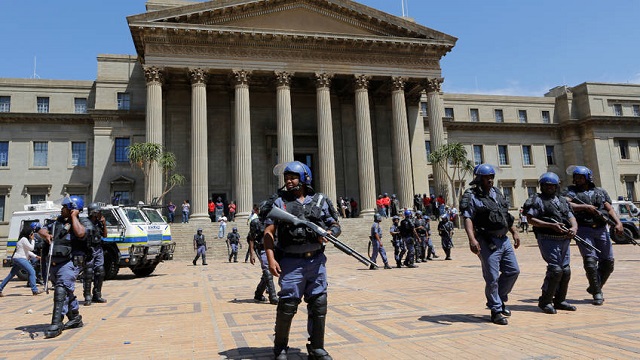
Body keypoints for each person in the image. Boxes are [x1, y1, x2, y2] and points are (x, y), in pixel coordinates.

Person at [263, 161, 341, 360]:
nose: (288, 181)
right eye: (286, 178)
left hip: (316, 261)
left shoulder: (320, 201)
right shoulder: (279, 202)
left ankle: (317, 348)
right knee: (287, 306)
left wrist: (330, 233)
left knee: (319, 303)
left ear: (305, 178)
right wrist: (271, 259)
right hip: (291, 262)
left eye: (293, 177)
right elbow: (268, 233)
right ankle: (280, 348)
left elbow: (334, 224)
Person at [460, 164, 520, 326]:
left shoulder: (497, 193)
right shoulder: (471, 196)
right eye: (487, 177)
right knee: (492, 277)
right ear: (479, 179)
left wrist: (514, 231)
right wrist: (472, 239)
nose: (490, 180)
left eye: (492, 177)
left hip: (504, 239)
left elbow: (505, 215)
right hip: (487, 241)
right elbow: (468, 218)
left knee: (513, 270)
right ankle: (496, 310)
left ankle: (499, 299)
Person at [563, 165, 623, 306]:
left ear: (588, 178)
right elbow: (566, 204)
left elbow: (609, 208)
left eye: (580, 177)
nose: (577, 180)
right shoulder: (571, 191)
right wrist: (586, 207)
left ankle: (595, 286)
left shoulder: (600, 191)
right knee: (590, 262)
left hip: (601, 229)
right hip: (584, 229)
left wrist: (618, 223)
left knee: (608, 263)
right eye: (576, 177)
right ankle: (597, 293)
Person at [523, 172, 578, 314]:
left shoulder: (562, 200)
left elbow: (571, 216)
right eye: (547, 186)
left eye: (552, 186)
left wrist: (574, 228)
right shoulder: (537, 199)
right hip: (548, 238)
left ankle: (560, 300)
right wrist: (550, 225)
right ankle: (545, 301)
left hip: (564, 239)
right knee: (555, 270)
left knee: (565, 271)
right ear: (542, 186)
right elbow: (531, 219)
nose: (550, 188)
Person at [37, 196, 89, 338]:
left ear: (72, 209)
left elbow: (81, 233)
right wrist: (46, 235)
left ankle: (56, 323)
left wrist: (74, 217)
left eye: (65, 207)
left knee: (61, 291)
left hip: (69, 262)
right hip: (54, 263)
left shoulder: (81, 222)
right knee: (67, 292)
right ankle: (75, 318)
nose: (62, 209)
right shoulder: (56, 223)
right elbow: (41, 230)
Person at [0, 223, 43, 297]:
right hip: (20, 258)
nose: (32, 234)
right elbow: (31, 248)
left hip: (17, 258)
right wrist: (32, 240)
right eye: (31, 233)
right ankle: (34, 290)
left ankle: (0, 288)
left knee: (11, 275)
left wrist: (36, 256)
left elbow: (27, 251)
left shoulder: (22, 239)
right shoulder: (24, 239)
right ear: (28, 233)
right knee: (32, 271)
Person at [248, 214, 278, 305]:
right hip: (261, 248)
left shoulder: (275, 220)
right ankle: (273, 296)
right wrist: (251, 253)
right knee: (268, 271)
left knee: (268, 273)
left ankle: (258, 293)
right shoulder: (255, 222)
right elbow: (251, 238)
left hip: (274, 248)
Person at [83, 203, 108, 306]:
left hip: (98, 248)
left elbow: (105, 235)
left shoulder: (99, 223)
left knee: (100, 271)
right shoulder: (85, 222)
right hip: (89, 249)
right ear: (94, 213)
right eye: (98, 212)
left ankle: (97, 294)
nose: (100, 214)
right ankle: (87, 296)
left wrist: (104, 224)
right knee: (88, 272)